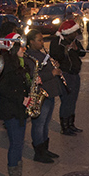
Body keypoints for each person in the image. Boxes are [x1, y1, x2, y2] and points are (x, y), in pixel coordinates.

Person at [0, 36, 34, 176]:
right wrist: (22, 99)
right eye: (21, 47)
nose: (24, 49)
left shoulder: (19, 63)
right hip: (12, 110)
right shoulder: (5, 64)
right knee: (16, 144)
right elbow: (3, 89)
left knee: (19, 144)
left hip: (19, 110)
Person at [25, 30, 64, 163]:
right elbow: (34, 77)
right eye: (39, 40)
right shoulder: (30, 57)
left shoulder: (41, 54)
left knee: (45, 124)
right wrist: (52, 73)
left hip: (49, 93)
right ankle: (39, 152)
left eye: (42, 40)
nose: (42, 42)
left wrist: (55, 66)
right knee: (39, 124)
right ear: (31, 41)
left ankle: (45, 149)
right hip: (41, 93)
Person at [50, 19, 85, 135]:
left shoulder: (74, 41)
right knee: (66, 100)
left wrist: (76, 49)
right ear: (68, 32)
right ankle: (64, 127)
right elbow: (54, 56)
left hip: (75, 74)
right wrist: (65, 50)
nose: (76, 34)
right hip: (65, 74)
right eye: (74, 32)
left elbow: (83, 53)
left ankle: (71, 124)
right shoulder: (57, 41)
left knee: (73, 100)